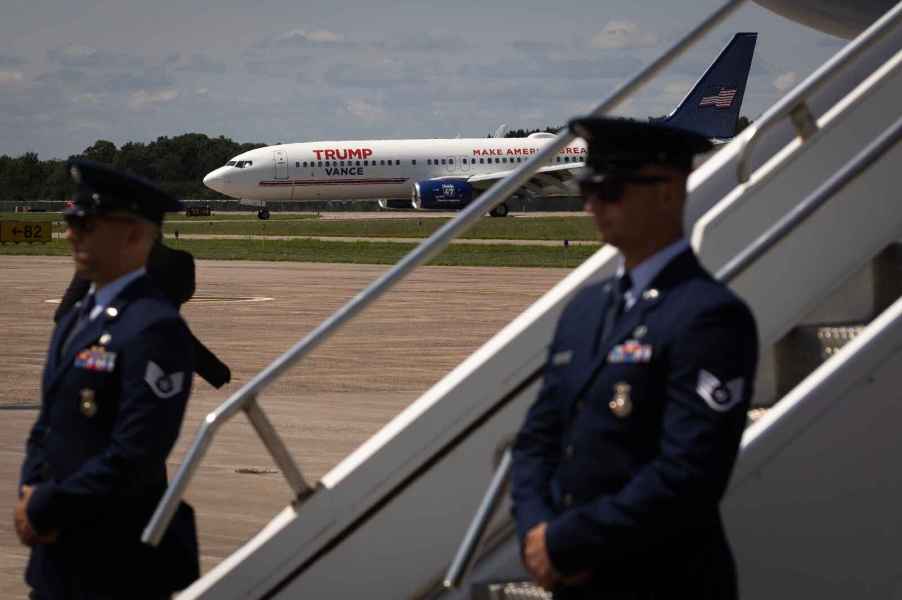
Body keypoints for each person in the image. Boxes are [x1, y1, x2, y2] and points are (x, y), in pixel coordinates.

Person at [510, 118, 759, 599]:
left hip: (662, 580)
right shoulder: (585, 310)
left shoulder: (708, 316)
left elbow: (691, 473)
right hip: (574, 577)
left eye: (610, 191)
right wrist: (536, 532)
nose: (590, 204)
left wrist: (566, 541)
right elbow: (535, 442)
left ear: (668, 193)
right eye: (588, 188)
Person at [16, 159, 200, 599]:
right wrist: (30, 487)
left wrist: (46, 505)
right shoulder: (78, 317)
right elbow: (50, 424)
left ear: (135, 235)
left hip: (118, 564)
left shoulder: (154, 328)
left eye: (86, 223)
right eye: (70, 220)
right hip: (57, 559)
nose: (69, 233)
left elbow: (135, 453)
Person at [54, 239, 232, 389]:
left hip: (87, 368)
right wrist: (211, 369)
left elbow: (64, 315)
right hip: (144, 369)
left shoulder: (97, 259)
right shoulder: (173, 264)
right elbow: (165, 328)